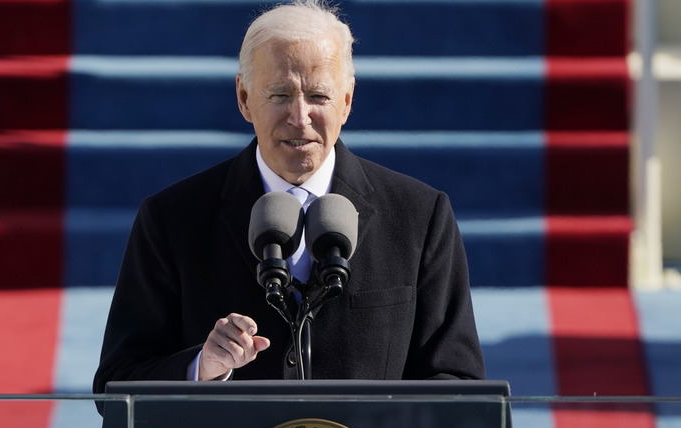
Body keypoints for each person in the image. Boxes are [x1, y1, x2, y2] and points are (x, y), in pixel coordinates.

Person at [93, 0, 485, 396]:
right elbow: (117, 383)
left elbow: (458, 382)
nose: (300, 118)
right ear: (244, 98)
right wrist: (202, 367)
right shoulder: (171, 219)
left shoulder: (420, 216)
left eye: (318, 97)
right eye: (280, 95)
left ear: (347, 101)